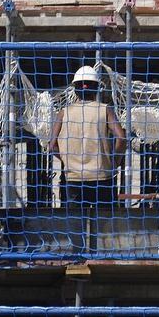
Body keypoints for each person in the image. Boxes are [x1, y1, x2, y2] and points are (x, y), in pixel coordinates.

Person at [47, 64, 127, 249]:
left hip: (74, 178)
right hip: (102, 177)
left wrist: (68, 160)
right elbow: (121, 138)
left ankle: (78, 257)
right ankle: (103, 258)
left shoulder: (64, 113)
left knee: (76, 225)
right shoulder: (105, 110)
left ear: (75, 89)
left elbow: (52, 146)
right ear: (97, 88)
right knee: (105, 226)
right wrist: (113, 161)